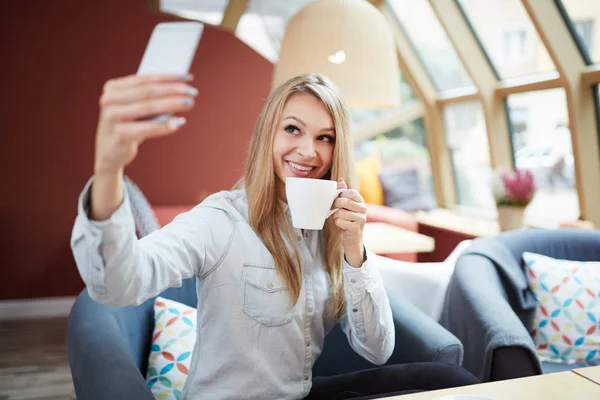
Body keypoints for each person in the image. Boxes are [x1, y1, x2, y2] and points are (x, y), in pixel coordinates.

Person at [71, 72, 478, 399]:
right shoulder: (222, 219)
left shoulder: (332, 233)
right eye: (293, 130)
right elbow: (117, 286)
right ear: (269, 134)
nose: (309, 151)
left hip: (301, 393)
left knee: (449, 379)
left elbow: (377, 349)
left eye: (325, 137)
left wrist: (355, 249)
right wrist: (110, 169)